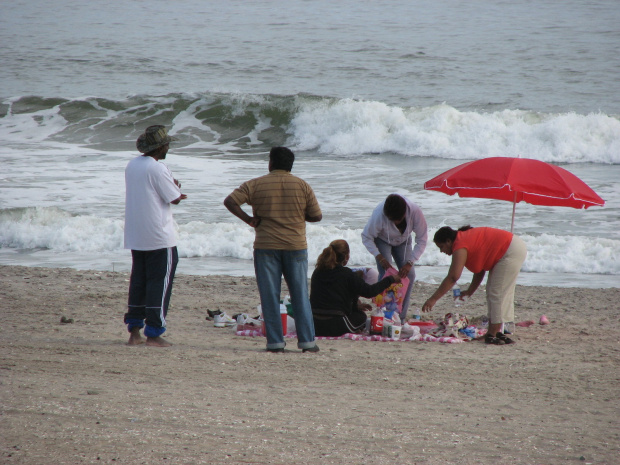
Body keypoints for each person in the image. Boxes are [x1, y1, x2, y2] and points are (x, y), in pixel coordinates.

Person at [224, 147, 322, 353]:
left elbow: (230, 201)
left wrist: (249, 220)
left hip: (266, 246)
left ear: (270, 163)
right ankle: (307, 342)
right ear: (290, 165)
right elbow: (316, 216)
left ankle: (276, 343)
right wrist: (298, 214)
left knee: (269, 296)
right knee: (300, 295)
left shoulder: (256, 184)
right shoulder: (302, 186)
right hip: (295, 247)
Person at [123, 125, 187, 347]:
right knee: (159, 284)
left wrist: (172, 189)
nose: (168, 146)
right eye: (166, 144)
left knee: (138, 282)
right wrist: (176, 188)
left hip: (136, 234)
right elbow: (174, 198)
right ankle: (154, 333)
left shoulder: (132, 165)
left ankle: (134, 331)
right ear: (160, 147)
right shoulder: (158, 168)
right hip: (159, 236)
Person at [421, 225, 527, 345]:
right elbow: (479, 269)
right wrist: (470, 291)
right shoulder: (465, 239)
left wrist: (433, 299)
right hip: (512, 246)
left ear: (449, 241)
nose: (441, 251)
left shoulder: (460, 244)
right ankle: (496, 331)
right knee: (495, 292)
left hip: (510, 249)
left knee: (497, 293)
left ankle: (492, 334)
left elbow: (453, 277)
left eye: (441, 247)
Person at [310, 239, 400, 337]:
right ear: (346, 257)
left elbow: (328, 298)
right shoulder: (347, 274)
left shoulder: (317, 272)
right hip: (336, 324)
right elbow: (369, 292)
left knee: (355, 312)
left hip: (314, 325)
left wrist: (355, 306)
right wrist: (390, 279)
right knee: (361, 316)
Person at [361, 193, 427, 322]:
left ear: (405, 213)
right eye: (391, 220)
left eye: (398, 220)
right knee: (386, 273)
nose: (395, 223)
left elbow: (422, 239)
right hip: (382, 240)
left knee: (409, 274)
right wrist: (379, 256)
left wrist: (410, 262)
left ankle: (401, 316)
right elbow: (366, 237)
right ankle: (382, 313)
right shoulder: (379, 214)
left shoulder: (415, 212)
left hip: (404, 240)